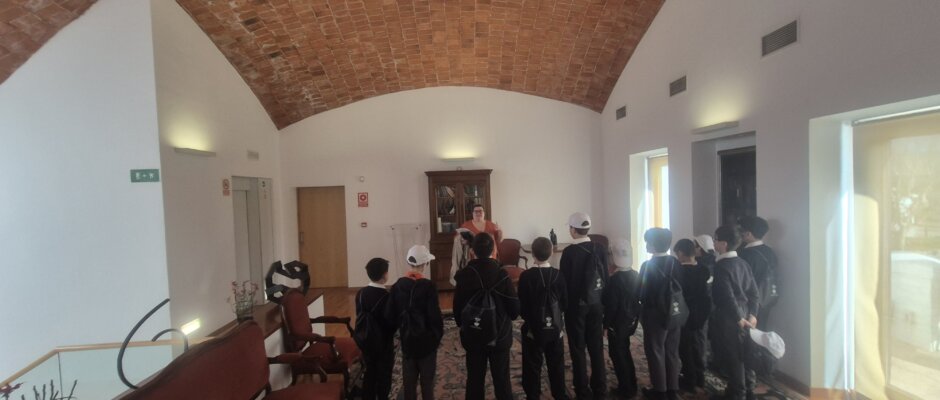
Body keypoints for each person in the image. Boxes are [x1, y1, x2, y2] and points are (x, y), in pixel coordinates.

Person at [453, 233, 519, 400]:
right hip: (500, 336)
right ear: (494, 249)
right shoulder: (502, 275)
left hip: (473, 335)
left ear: (472, 251)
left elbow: (457, 310)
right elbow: (514, 311)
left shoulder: (464, 275)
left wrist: (465, 326)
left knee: (474, 380)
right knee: (502, 381)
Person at [559, 212, 608, 399]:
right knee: (596, 347)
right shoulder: (600, 248)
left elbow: (564, 284)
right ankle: (600, 388)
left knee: (578, 348)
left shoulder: (569, 253)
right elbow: (605, 278)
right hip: (596, 303)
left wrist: (563, 307)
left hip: (575, 307)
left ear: (573, 229)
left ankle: (582, 390)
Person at [387, 245, 444, 400]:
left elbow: (390, 315)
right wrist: (436, 337)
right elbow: (435, 317)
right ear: (426, 264)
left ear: (409, 262)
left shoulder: (398, 285)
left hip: (407, 340)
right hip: (427, 342)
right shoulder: (429, 286)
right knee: (427, 383)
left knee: (409, 383)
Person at [711, 225, 761, 400]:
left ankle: (737, 393)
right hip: (745, 313)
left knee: (733, 356)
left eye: (715, 239)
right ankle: (747, 389)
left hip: (730, 316)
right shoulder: (743, 263)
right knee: (745, 352)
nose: (714, 243)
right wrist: (753, 315)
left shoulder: (722, 266)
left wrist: (738, 318)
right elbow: (754, 292)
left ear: (724, 243)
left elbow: (727, 296)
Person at [518, 237, 570, 400]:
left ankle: (532, 395)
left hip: (532, 329)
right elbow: (565, 303)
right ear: (552, 252)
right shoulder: (559, 275)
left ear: (532, 254)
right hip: (555, 328)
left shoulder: (526, 276)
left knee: (532, 365)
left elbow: (522, 305)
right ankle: (559, 394)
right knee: (556, 364)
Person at [638, 228, 681, 400]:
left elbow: (641, 292)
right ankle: (673, 389)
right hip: (675, 311)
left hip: (654, 313)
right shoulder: (675, 262)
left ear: (653, 245)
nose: (646, 245)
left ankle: (660, 390)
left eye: (647, 242)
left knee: (655, 350)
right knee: (672, 350)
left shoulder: (647, 266)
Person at [602, 238, 640, 398]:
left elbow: (611, 306)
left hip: (616, 324)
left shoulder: (614, 280)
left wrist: (605, 325)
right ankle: (632, 383)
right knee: (625, 350)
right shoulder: (636, 275)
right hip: (630, 320)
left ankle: (626, 388)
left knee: (617, 354)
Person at [673, 239, 712, 392]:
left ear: (680, 253)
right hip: (701, 313)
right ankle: (700, 377)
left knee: (685, 348)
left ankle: (689, 380)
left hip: (684, 313)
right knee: (698, 345)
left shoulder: (678, 271)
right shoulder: (704, 269)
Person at [356, 258, 394, 400]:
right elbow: (390, 322)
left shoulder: (360, 293)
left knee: (370, 370)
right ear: (385, 275)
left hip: (365, 339)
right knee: (384, 373)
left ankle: (368, 396)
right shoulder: (387, 296)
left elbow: (359, 315)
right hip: (383, 342)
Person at [737, 216, 778, 330]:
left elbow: (741, 281)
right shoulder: (770, 251)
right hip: (767, 299)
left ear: (748, 234)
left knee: (747, 334)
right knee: (761, 330)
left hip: (749, 302)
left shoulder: (745, 254)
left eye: (741, 230)